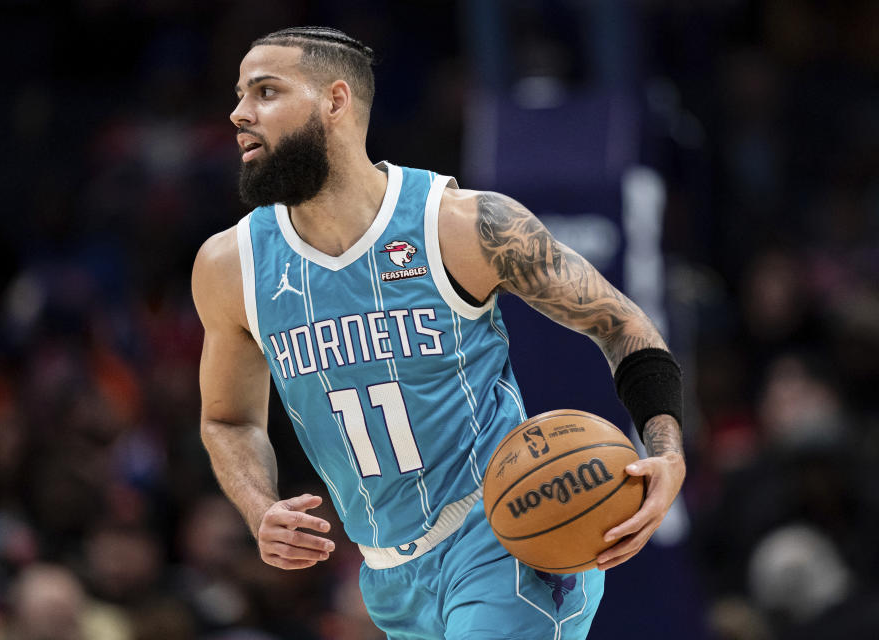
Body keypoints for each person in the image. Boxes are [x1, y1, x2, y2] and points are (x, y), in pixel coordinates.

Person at [192, 26, 686, 640]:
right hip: (387, 577)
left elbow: (623, 326)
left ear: (336, 101)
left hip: (508, 541)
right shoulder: (229, 266)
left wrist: (666, 454)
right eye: (240, 94)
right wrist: (259, 506)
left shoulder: (462, 226)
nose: (240, 114)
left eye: (266, 92)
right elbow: (229, 420)